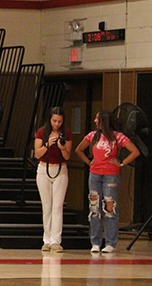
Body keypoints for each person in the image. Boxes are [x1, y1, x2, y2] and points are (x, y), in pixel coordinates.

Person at [74, 110, 141, 254]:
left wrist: (121, 163)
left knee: (109, 208)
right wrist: (89, 162)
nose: (95, 121)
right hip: (95, 175)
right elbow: (78, 150)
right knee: (94, 208)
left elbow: (135, 151)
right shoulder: (92, 136)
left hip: (111, 175)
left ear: (104, 121)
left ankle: (110, 242)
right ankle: (96, 242)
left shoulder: (118, 137)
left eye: (97, 119)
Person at [34, 107, 72, 253]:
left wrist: (62, 147)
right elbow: (37, 154)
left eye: (59, 121)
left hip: (60, 169)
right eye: (54, 121)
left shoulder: (66, 133)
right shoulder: (41, 132)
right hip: (44, 169)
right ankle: (47, 240)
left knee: (57, 207)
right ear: (50, 120)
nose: (57, 124)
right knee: (47, 207)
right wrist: (48, 144)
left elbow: (67, 156)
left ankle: (56, 241)